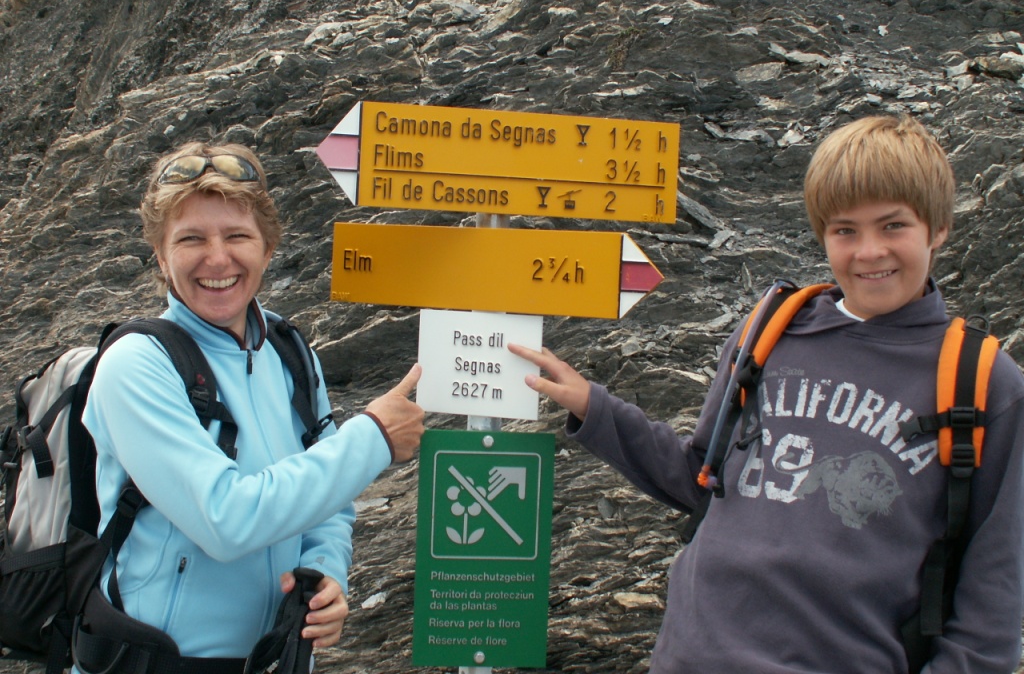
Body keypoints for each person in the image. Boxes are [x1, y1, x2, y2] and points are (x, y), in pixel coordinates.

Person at [511, 115, 1024, 673]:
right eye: (845, 231)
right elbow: (700, 478)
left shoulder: (983, 382)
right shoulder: (771, 330)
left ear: (938, 228)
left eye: (893, 226)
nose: (870, 251)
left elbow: (992, 599)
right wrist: (595, 407)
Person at [79, 142, 425, 666]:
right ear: (161, 256)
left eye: (237, 236)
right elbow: (226, 519)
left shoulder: (290, 353)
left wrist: (323, 572)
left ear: (268, 248)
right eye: (191, 238)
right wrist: (372, 437)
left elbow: (330, 501)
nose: (218, 258)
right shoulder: (136, 365)